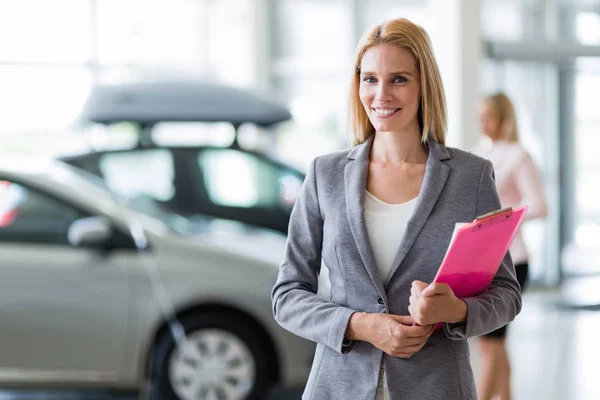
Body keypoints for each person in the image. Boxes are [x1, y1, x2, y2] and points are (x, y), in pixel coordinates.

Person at [271, 18, 522, 400]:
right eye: (369, 79)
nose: (381, 94)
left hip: (438, 387)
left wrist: (455, 310)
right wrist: (359, 325)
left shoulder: (470, 177)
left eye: (399, 79)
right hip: (338, 387)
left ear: (424, 86)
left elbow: (506, 294)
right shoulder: (326, 174)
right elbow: (287, 295)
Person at [474, 92, 548, 400]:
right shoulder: (480, 153)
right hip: (485, 261)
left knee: (491, 344)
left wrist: (502, 218)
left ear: (504, 118)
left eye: (489, 115)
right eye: (481, 115)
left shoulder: (519, 155)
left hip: (512, 262)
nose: (483, 121)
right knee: (493, 343)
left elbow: (541, 205)